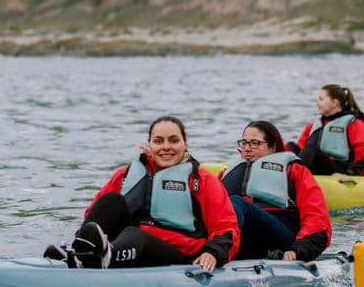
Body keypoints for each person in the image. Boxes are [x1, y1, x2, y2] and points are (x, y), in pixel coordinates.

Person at [44, 116, 239, 270]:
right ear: (149, 145)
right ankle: (82, 253)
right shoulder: (125, 174)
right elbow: (93, 216)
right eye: (158, 141)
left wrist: (213, 253)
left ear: (185, 144)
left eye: (173, 140)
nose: (166, 147)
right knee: (111, 200)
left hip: (177, 253)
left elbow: (227, 227)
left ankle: (100, 257)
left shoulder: (201, 180)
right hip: (125, 243)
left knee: (136, 235)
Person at [220, 120, 331, 261]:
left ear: (272, 147)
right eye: (244, 143)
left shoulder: (294, 171)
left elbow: (316, 216)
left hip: (280, 232)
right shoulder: (228, 173)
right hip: (242, 236)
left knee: (236, 202)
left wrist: (299, 249)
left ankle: (219, 253)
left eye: (254, 143)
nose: (247, 148)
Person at [287, 84, 364, 175]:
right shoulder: (313, 125)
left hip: (340, 170)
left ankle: (292, 175)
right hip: (314, 166)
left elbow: (362, 154)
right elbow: (301, 150)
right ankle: (281, 171)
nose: (317, 103)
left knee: (313, 149)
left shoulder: (354, 123)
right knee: (291, 145)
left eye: (321, 99)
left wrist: (349, 173)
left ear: (334, 103)